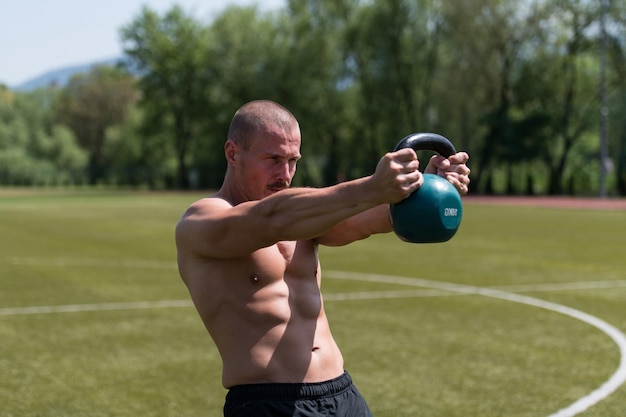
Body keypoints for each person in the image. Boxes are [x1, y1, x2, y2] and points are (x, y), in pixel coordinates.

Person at [175, 99, 470, 417]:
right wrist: (373, 186)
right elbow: (270, 220)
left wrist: (422, 189)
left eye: (292, 160)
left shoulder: (305, 215)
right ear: (233, 153)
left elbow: (368, 220)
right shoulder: (203, 220)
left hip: (342, 394)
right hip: (268, 403)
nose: (284, 173)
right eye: (273, 159)